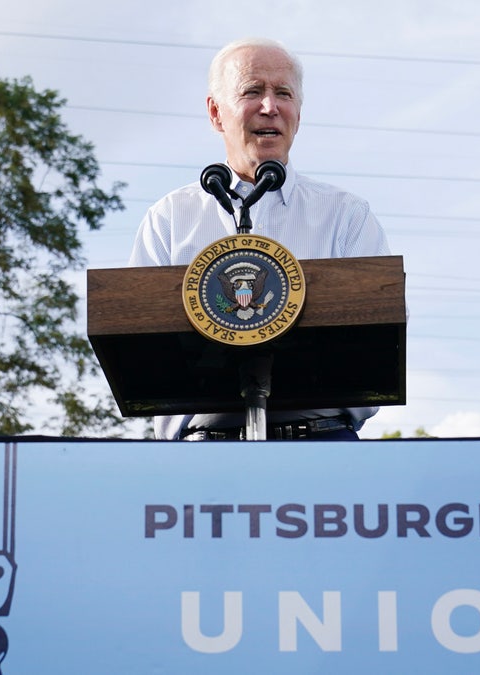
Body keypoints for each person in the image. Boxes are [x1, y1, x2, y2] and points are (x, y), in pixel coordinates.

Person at [128, 37, 392, 441]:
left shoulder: (346, 216)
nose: (270, 106)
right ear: (216, 113)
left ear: (298, 114)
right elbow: (139, 353)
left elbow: (378, 353)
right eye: (253, 91)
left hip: (324, 448)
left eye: (283, 94)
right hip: (203, 458)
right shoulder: (169, 219)